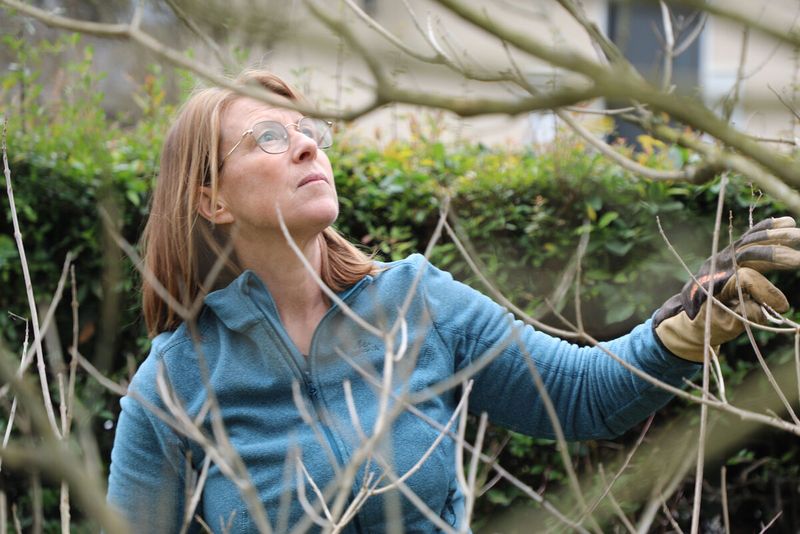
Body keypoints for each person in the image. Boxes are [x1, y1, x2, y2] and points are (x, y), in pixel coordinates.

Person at [107, 69, 800, 533]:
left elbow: (579, 395)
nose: (306, 150)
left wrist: (683, 330)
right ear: (211, 200)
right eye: (268, 138)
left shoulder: (418, 302)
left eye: (309, 133)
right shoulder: (174, 384)